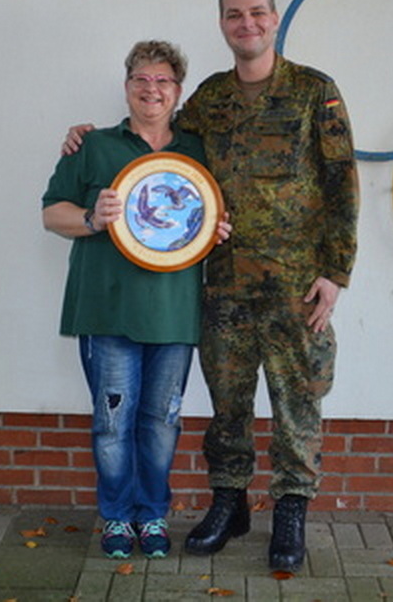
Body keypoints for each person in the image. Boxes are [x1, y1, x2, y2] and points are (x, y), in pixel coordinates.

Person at [61, 0, 358, 572]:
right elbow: (159, 149)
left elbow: (341, 180)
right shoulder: (210, 99)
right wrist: (87, 136)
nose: (247, 23)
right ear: (222, 24)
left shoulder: (314, 91)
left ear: (274, 19)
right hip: (223, 283)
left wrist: (337, 272)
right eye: (234, 15)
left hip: (295, 283)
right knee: (228, 404)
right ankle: (229, 503)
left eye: (257, 12)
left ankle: (291, 512)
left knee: (297, 402)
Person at [42, 40, 230, 560]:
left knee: (161, 424)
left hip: (174, 313)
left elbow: (214, 213)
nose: (152, 89)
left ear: (178, 91)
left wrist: (214, 231)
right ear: (126, 87)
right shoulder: (93, 146)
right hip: (107, 310)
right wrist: (90, 218)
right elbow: (51, 212)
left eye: (163, 80)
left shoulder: (199, 151)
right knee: (113, 423)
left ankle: (152, 516)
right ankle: (117, 518)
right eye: (141, 80)